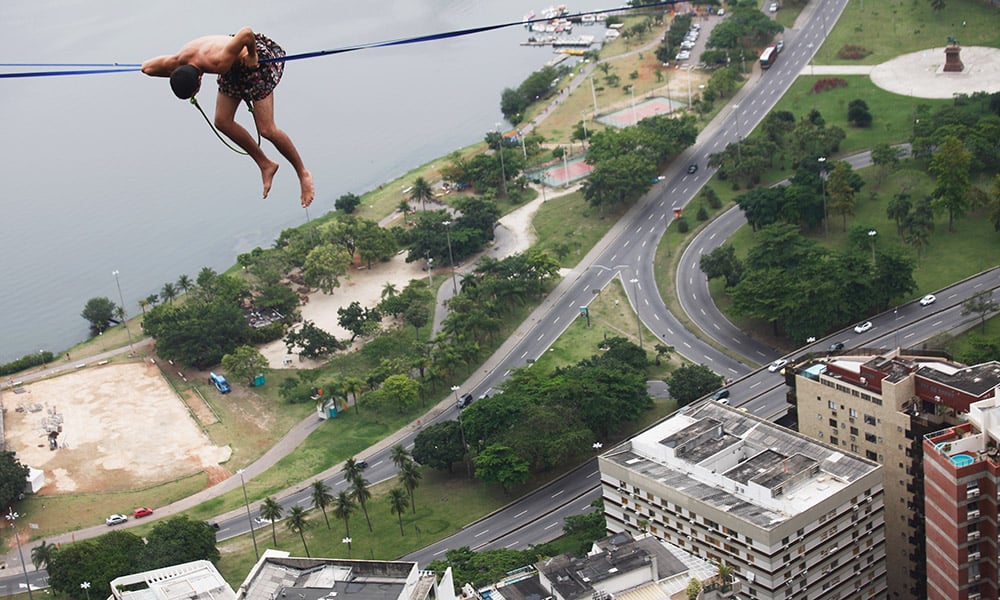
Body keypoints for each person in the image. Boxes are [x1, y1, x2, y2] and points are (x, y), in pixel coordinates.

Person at [142, 27, 314, 207]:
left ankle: (303, 173)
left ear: (200, 82)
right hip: (232, 67)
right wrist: (169, 74)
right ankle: (266, 164)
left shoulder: (219, 62)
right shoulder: (177, 61)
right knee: (222, 121)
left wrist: (253, 55)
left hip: (255, 62)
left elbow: (246, 33)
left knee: (267, 129)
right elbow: (147, 68)